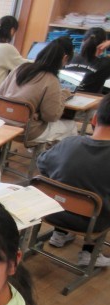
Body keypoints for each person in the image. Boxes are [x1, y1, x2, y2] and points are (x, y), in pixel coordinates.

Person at [37, 93, 110, 267]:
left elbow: (43, 165)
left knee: (67, 181)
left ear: (94, 119)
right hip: (92, 224)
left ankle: (59, 234)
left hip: (51, 211)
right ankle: (89, 252)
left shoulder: (68, 143)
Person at [0, 38, 78, 143]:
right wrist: (63, 95)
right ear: (65, 57)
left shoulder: (20, 68)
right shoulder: (51, 79)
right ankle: (49, 153)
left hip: (2, 123)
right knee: (71, 126)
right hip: (26, 131)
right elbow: (51, 116)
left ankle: (39, 149)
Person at [64, 27, 110, 94]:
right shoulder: (105, 64)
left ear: (83, 41)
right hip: (89, 99)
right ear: (103, 45)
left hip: (64, 96)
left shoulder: (68, 57)